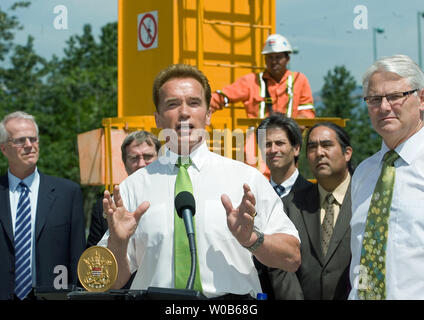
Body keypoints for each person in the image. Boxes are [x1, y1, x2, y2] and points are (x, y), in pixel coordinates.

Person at [99, 64, 301, 299]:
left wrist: (252, 239)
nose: (184, 112)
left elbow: (292, 258)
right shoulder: (131, 188)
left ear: (207, 115)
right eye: (172, 104)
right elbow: (108, 282)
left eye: (194, 103)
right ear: (157, 118)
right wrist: (118, 243)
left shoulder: (246, 179)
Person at [349, 55, 424, 300]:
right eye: (374, 99)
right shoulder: (363, 173)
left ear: (421, 98)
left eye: (394, 96)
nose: (384, 107)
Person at [0, 111, 86, 300]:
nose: (29, 145)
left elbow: (77, 257)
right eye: (20, 140)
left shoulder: (68, 194)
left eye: (33, 139)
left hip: (52, 296)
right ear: (4, 149)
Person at [270, 122, 353, 300]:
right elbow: (280, 264)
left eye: (327, 145)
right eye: (312, 147)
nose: (319, 153)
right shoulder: (289, 205)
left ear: (347, 153)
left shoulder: (366, 200)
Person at [254, 113, 312, 299]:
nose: (272, 149)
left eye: (280, 143)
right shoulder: (254, 198)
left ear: (296, 149)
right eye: (267, 144)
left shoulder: (315, 198)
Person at [210, 33, 314, 120]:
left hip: (288, 138)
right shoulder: (251, 81)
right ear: (264, 59)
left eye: (278, 57)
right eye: (270, 57)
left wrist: (296, 124)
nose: (274, 61)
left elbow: (307, 113)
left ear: (287, 59)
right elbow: (222, 97)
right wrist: (201, 108)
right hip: (257, 138)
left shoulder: (299, 80)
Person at [86, 130, 160, 248]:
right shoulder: (105, 207)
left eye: (148, 156)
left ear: (159, 159)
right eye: (134, 158)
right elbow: (94, 258)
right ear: (124, 164)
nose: (141, 164)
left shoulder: (175, 198)